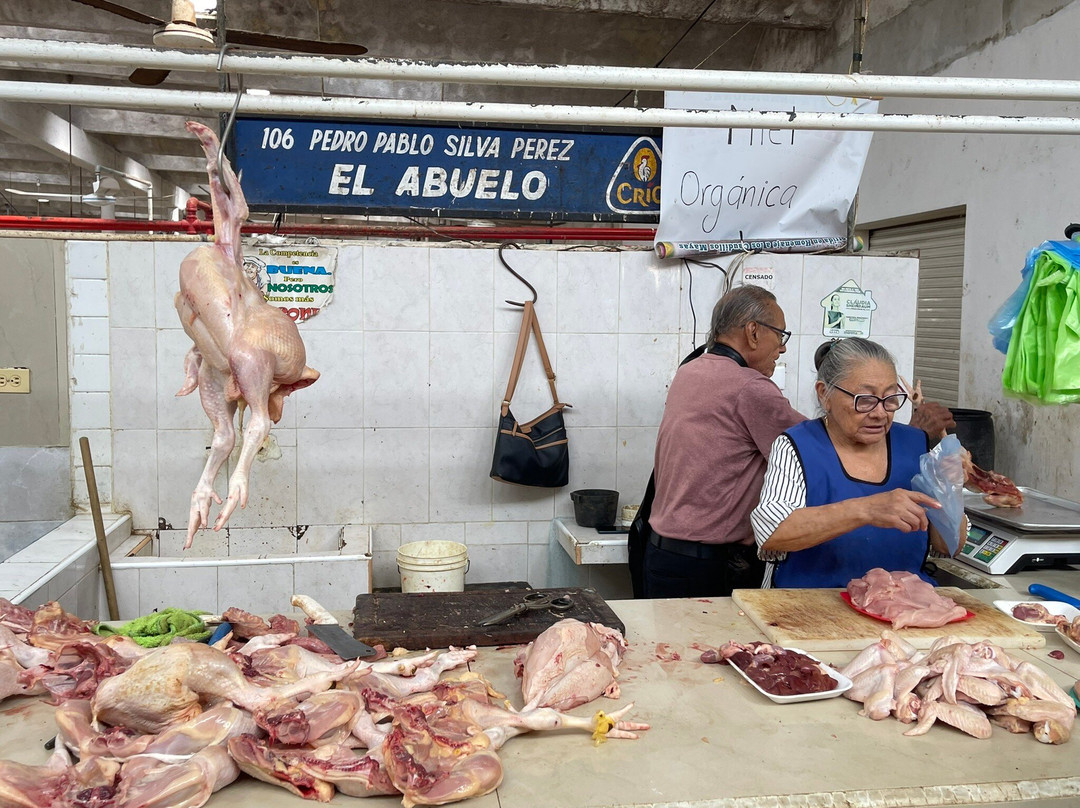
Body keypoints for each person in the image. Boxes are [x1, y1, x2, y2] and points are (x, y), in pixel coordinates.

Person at [751, 337, 965, 589]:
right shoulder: (797, 446)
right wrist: (867, 509)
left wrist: (948, 487)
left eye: (890, 398)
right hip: (807, 604)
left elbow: (949, 546)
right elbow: (772, 532)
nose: (880, 413)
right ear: (824, 394)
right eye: (864, 399)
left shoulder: (916, 445)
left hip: (899, 603)